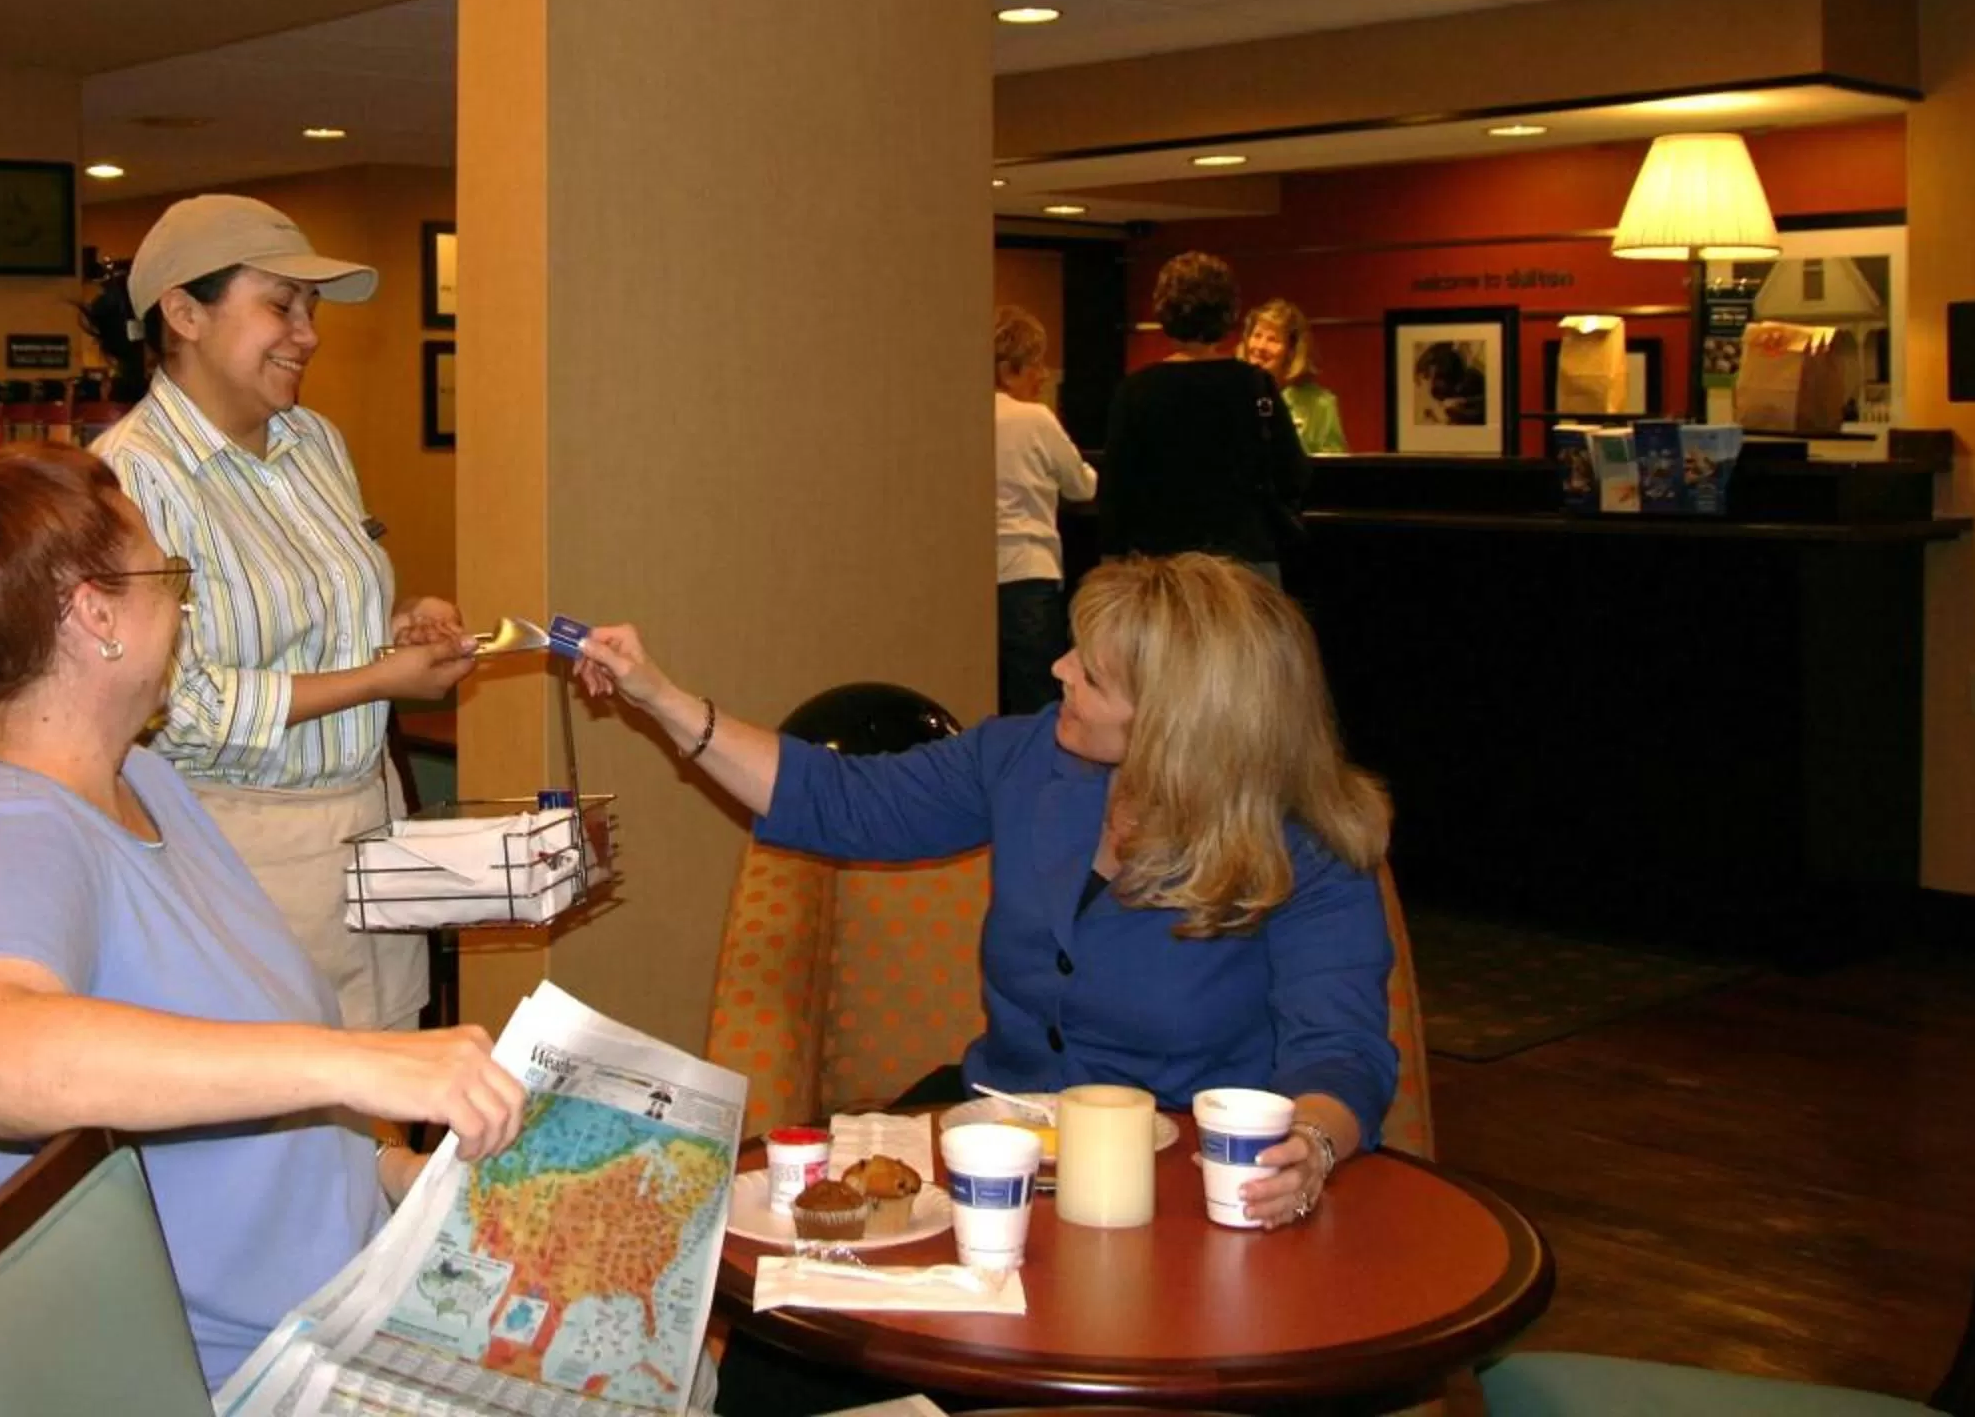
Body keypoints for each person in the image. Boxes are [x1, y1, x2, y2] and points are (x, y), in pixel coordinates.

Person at [0, 444, 527, 1391]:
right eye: (170, 577)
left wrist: (392, 1173)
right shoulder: (12, 837)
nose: (185, 606)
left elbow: (260, 1064)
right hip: (250, 1371)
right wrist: (363, 1060)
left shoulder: (143, 782)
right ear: (96, 615)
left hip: (353, 1287)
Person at [573, 553, 1394, 1229]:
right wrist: (660, 697)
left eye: (1091, 675)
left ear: (1174, 727)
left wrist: (1311, 1146)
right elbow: (841, 801)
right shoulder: (1029, 757)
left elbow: (1342, 1052)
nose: (1058, 669)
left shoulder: (1308, 849)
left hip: (1179, 1186)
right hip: (1000, 1148)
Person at [96, 194, 475, 1031]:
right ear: (184, 314)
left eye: (311, 308)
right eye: (281, 305)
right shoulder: (132, 476)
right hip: (236, 849)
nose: (308, 333)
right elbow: (177, 707)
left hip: (368, 833)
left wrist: (396, 626)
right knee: (282, 1100)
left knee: (386, 1088)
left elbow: (302, 622)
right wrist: (378, 680)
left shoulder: (316, 443)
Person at [1101, 250, 1307, 579]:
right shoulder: (1255, 385)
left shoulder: (1136, 390)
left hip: (1162, 562)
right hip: (1244, 557)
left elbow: (1116, 489)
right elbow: (1292, 472)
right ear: (1228, 312)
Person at [992, 305, 1097, 717]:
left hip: (975, 577)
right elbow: (1082, 485)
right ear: (1009, 370)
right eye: (1035, 364)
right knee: (1035, 697)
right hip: (1029, 571)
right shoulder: (1035, 419)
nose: (1043, 375)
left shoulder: (959, 416)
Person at [1241, 298, 1348, 455]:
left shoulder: (1320, 405)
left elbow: (1334, 465)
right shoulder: (1232, 396)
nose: (1261, 346)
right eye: (1257, 335)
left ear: (1292, 350)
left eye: (1272, 339)